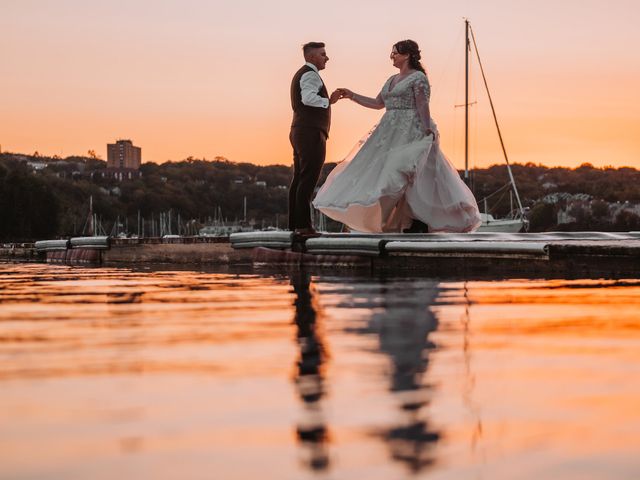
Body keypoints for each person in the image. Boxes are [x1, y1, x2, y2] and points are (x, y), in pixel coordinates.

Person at [313, 40, 481, 233]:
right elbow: (378, 103)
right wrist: (351, 95)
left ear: (407, 54)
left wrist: (428, 131)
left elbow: (423, 106)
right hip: (388, 133)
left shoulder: (418, 78)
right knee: (386, 175)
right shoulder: (392, 79)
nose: (391, 56)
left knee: (409, 174)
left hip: (412, 130)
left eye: (395, 53)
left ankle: (419, 220)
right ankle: (402, 221)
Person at [289, 42, 341, 236]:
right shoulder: (310, 75)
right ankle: (303, 227)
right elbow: (308, 98)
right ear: (311, 57)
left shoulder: (302, 73)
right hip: (310, 132)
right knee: (308, 179)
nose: (327, 58)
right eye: (323, 54)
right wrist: (330, 100)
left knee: (300, 179)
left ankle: (296, 224)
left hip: (300, 130)